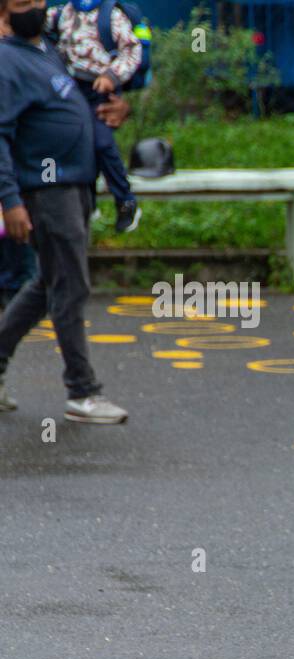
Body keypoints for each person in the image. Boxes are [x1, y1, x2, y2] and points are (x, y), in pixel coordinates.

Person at [0, 0, 128, 424]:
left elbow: (95, 87)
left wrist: (118, 108)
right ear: (3, 14)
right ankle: (82, 392)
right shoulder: (6, 60)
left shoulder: (48, 51)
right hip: (46, 189)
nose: (34, 6)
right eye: (22, 2)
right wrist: (11, 199)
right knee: (69, 286)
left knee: (47, 284)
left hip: (73, 184)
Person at [47, 0, 143, 232]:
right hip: (70, 88)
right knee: (77, 144)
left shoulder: (111, 16)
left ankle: (125, 200)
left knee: (101, 142)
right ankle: (88, 201)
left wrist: (112, 74)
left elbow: (131, 49)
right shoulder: (60, 14)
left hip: (100, 89)